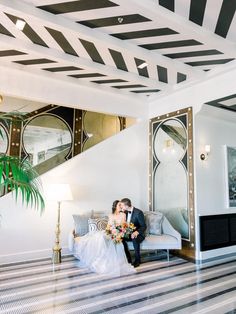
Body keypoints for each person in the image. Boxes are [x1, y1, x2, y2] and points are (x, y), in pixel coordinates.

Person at [73, 200, 135, 276]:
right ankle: (99, 258)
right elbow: (108, 226)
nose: (121, 206)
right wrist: (110, 230)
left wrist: (119, 231)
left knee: (112, 240)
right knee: (100, 237)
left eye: (121, 205)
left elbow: (124, 225)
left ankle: (112, 261)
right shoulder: (111, 215)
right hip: (111, 232)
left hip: (119, 232)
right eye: (119, 205)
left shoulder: (123, 215)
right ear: (115, 206)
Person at [120, 198, 146, 268]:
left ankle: (138, 260)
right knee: (119, 237)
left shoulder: (138, 212)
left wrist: (136, 232)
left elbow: (143, 226)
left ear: (126, 206)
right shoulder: (125, 212)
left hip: (138, 234)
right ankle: (128, 258)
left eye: (122, 205)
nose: (121, 207)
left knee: (134, 237)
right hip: (128, 233)